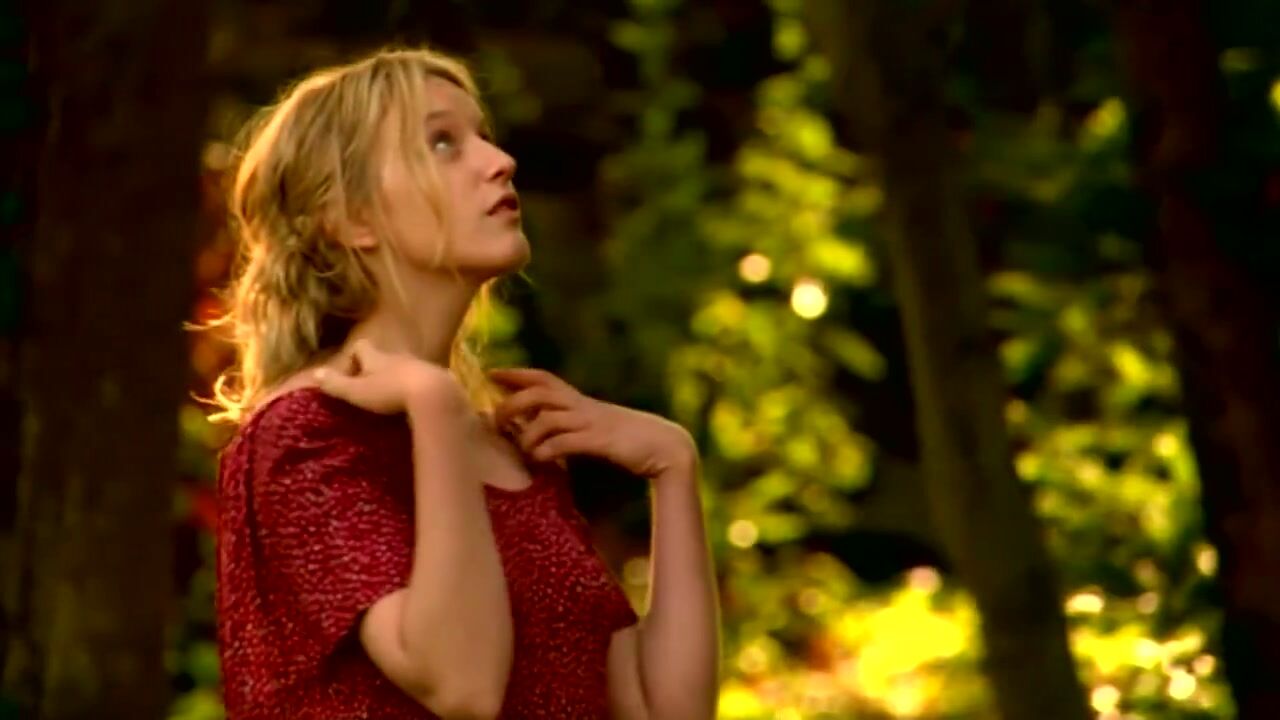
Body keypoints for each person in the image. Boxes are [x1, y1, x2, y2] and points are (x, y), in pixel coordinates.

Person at [206, 46, 720, 719]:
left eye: (482, 135)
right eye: (442, 143)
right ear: (353, 218)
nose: (499, 161)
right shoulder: (309, 436)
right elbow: (462, 686)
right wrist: (436, 404)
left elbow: (664, 709)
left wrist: (673, 464)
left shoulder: (508, 446)